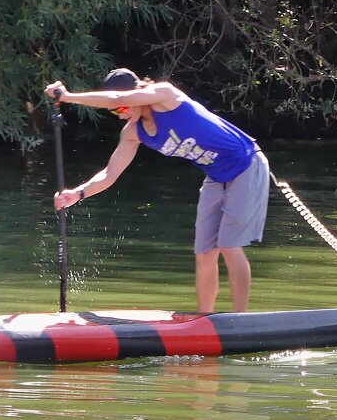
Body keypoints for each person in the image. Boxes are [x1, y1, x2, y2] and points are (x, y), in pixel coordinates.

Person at [44, 69, 270, 313]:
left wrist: (67, 97)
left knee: (228, 245)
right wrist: (77, 193)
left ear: (137, 94)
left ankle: (241, 319)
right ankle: (204, 320)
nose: (121, 115)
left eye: (122, 109)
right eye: (115, 113)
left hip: (246, 164)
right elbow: (110, 175)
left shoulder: (165, 95)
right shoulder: (133, 133)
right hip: (216, 177)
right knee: (205, 253)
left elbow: (118, 99)